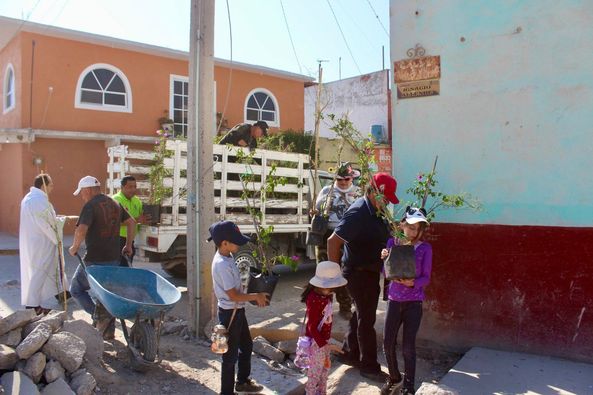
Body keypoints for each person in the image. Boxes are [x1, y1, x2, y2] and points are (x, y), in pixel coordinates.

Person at [326, 172, 399, 383]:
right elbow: (333, 242)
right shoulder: (358, 212)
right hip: (357, 273)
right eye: (385, 197)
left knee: (361, 315)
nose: (386, 202)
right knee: (367, 320)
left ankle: (350, 353)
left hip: (370, 271)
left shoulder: (376, 209)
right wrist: (333, 275)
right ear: (374, 192)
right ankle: (369, 366)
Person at [68, 175, 135, 339]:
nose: (82, 196)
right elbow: (132, 222)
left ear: (88, 190)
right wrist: (128, 245)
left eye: (82, 193)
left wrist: (74, 247)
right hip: (113, 258)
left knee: (76, 289)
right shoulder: (114, 203)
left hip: (94, 259)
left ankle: (97, 317)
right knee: (104, 294)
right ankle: (107, 330)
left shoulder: (90, 205)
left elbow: (81, 229)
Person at [209, 220, 268, 395]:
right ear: (224, 243)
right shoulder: (222, 264)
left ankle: (242, 382)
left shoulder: (227, 256)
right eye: (235, 240)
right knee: (229, 356)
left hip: (237, 310)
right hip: (230, 313)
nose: (239, 244)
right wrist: (255, 296)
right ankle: (226, 392)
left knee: (247, 345)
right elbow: (233, 295)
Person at [380, 207, 432, 395]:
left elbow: (426, 277)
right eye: (408, 227)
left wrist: (413, 283)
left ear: (421, 230)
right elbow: (385, 273)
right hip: (394, 300)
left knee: (408, 346)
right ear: (402, 225)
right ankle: (394, 377)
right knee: (387, 342)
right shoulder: (392, 243)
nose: (411, 232)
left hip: (413, 303)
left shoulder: (425, 248)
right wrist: (385, 260)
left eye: (416, 228)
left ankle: (409, 387)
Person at [314, 162, 361, 319]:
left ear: (351, 179)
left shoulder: (358, 193)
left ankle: (345, 305)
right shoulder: (327, 191)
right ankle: (322, 306)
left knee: (345, 272)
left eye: (346, 179)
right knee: (325, 272)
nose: (342, 182)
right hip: (327, 234)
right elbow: (318, 209)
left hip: (349, 237)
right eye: (339, 179)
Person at [19, 174, 67, 315]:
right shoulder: (39, 201)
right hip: (42, 242)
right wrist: (62, 222)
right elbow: (48, 224)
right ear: (44, 185)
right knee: (39, 272)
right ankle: (32, 305)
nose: (52, 188)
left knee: (49, 269)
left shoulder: (29, 198)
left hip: (34, 240)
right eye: (51, 185)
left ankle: (62, 292)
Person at [300, 260, 347, 395]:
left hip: (323, 341)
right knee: (314, 375)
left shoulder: (325, 295)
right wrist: (323, 345)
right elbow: (312, 326)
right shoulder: (314, 300)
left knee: (324, 371)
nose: (333, 290)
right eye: (332, 287)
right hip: (317, 342)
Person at [112, 175, 150, 267]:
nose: (133, 189)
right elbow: (112, 223)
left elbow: (141, 218)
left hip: (130, 241)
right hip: (117, 241)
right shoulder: (116, 200)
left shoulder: (137, 201)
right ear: (122, 187)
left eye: (134, 187)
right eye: (130, 187)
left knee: (126, 268)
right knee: (119, 269)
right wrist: (137, 220)